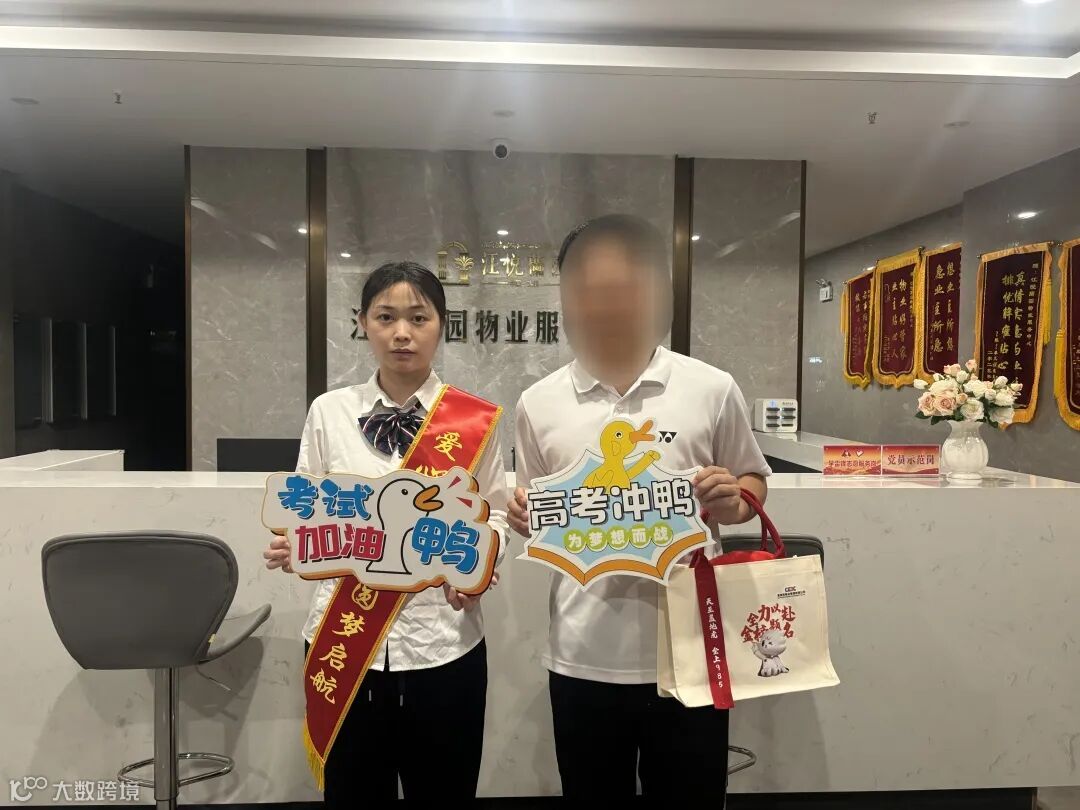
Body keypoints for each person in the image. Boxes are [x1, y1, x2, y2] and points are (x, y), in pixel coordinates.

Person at [508, 214, 770, 800]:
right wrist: (522, 516)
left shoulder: (711, 387)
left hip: (691, 649)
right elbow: (533, 509)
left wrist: (735, 501)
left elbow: (753, 482)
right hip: (581, 653)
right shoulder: (537, 402)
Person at [264, 261, 508, 805]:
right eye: (386, 317)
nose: (402, 333)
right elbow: (305, 504)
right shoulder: (329, 412)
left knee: (444, 795)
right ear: (363, 324)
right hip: (344, 641)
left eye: (418, 318)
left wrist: (478, 567)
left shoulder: (476, 419)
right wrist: (295, 542)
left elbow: (491, 515)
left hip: (444, 643)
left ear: (441, 324)